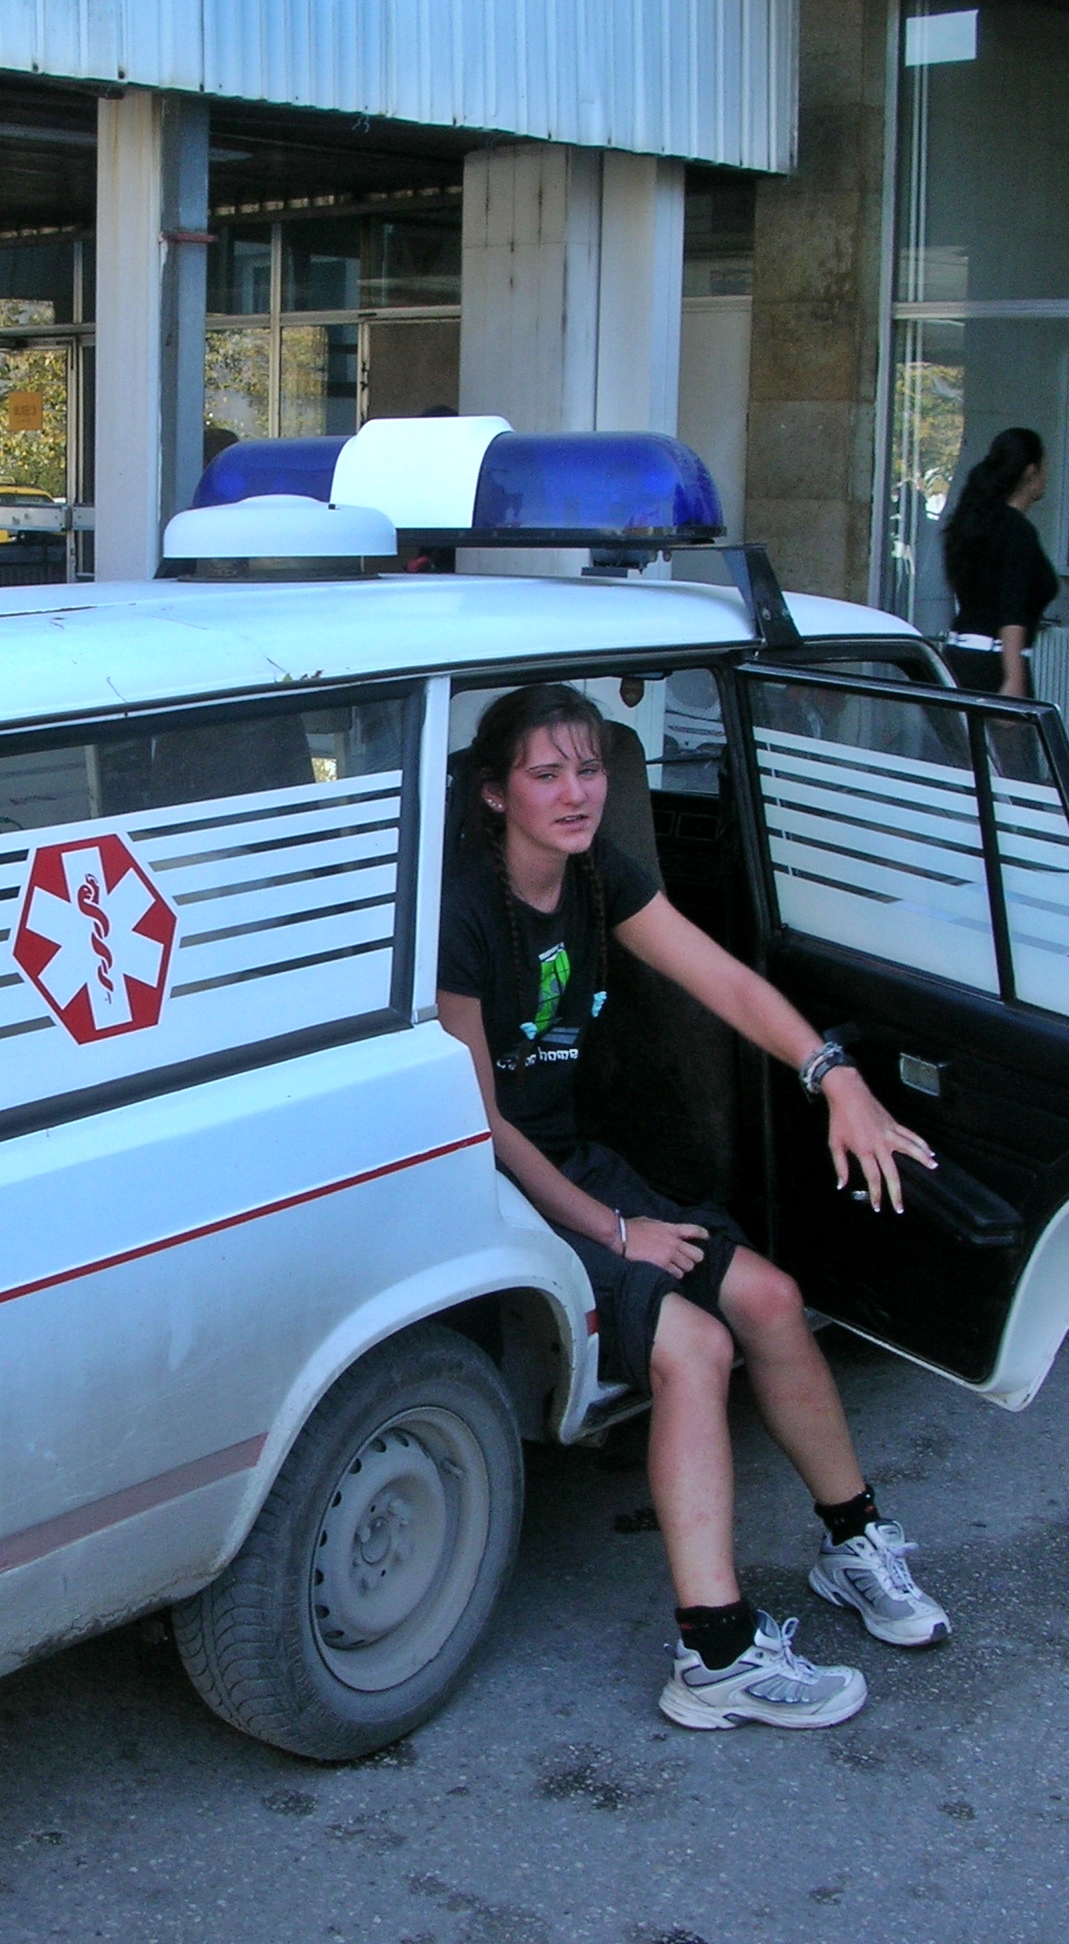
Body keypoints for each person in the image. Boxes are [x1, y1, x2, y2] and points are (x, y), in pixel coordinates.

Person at [437, 683, 950, 1734]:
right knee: (695, 1349)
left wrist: (837, 1078)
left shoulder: (598, 879)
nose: (577, 794)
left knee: (770, 1297)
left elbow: (729, 985)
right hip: (494, 1185)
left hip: (572, 1162)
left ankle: (853, 1542)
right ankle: (715, 1655)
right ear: (495, 794)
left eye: (590, 770)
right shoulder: (465, 911)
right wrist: (615, 1231)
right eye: (547, 774)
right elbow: (478, 1124)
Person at [940, 427, 1059, 699]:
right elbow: (1012, 610)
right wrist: (1014, 679)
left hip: (958, 657)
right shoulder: (1017, 531)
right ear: (1031, 472)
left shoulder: (976, 523)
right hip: (995, 663)